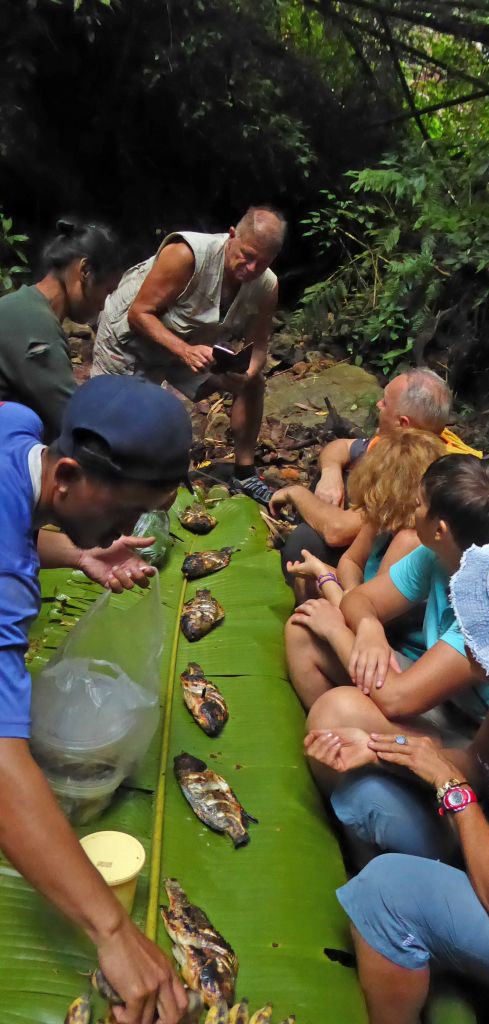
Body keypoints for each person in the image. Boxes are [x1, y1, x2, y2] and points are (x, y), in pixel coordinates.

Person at [305, 545, 489, 1023]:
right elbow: (479, 765)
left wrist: (448, 783)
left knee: (387, 892)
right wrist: (383, 751)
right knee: (366, 794)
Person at [0, 375, 194, 1024]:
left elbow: (20, 519)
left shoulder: (17, 427)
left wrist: (81, 555)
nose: (129, 529)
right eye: (121, 515)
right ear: (68, 475)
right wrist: (112, 932)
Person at [286, 456, 489, 744]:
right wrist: (369, 626)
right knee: (303, 629)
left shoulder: (488, 604)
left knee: (338, 709)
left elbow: (396, 699)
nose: (413, 512)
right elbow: (361, 599)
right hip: (441, 698)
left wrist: (336, 631)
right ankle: (332, 751)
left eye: (419, 505)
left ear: (440, 530)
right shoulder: (440, 553)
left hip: (479, 736)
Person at [92, 206, 286, 499]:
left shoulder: (267, 284)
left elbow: (259, 345)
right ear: (232, 235)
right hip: (131, 337)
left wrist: (244, 374)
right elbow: (139, 314)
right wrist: (183, 350)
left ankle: (245, 474)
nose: (250, 268)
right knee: (116, 423)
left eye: (261, 263)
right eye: (246, 255)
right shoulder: (187, 254)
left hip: (193, 342)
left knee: (253, 383)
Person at [274, 368, 481, 594]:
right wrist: (330, 471)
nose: (378, 406)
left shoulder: (417, 474)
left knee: (302, 546)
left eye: (384, 403)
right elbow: (340, 446)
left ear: (403, 423)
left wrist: (295, 492)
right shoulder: (407, 441)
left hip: (391, 585)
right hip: (366, 565)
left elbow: (338, 531)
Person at [284, 428, 445, 606]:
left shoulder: (409, 540)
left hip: (385, 617)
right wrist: (350, 589)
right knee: (304, 581)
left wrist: (323, 574)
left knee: (315, 588)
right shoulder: (381, 518)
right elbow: (351, 560)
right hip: (364, 596)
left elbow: (376, 606)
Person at [0, 219, 123, 441]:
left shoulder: (22, 305)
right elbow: (72, 422)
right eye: (107, 291)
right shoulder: (33, 324)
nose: (104, 305)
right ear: (85, 271)